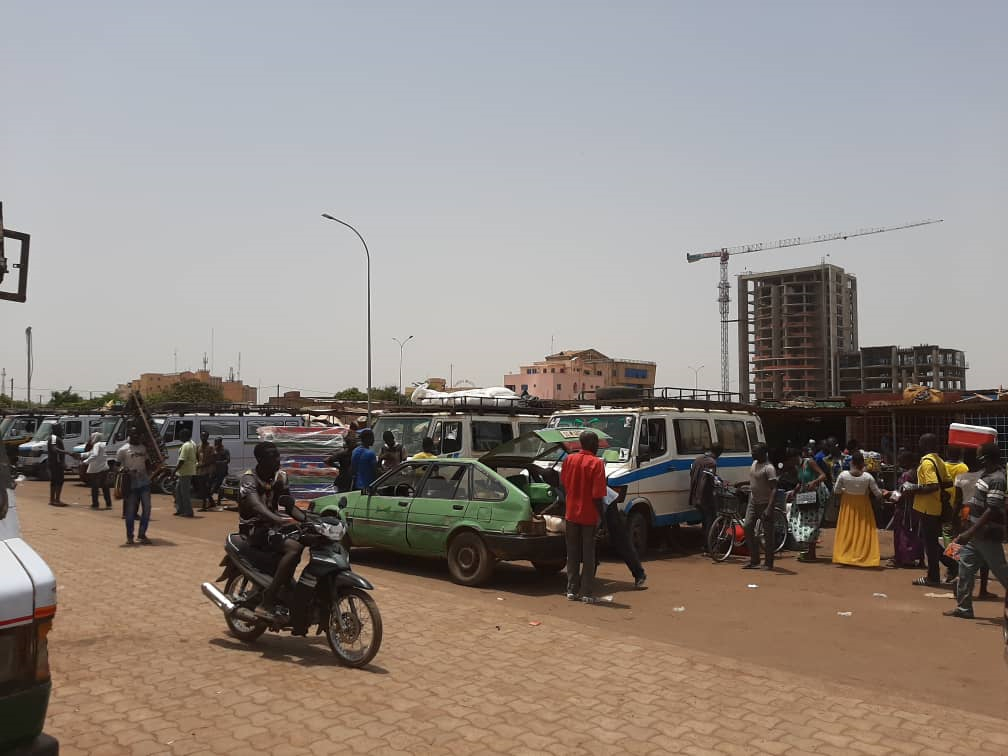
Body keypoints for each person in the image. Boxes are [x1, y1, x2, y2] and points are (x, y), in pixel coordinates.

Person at [238, 442, 305, 621]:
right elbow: (256, 505)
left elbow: (289, 505)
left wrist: (308, 520)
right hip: (254, 530)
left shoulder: (280, 477)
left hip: (272, 529)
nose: (278, 459)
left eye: (278, 455)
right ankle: (267, 600)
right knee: (294, 549)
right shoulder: (249, 479)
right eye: (273, 456)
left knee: (308, 539)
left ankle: (287, 588)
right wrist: (278, 520)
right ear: (260, 459)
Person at [944, 442, 1008, 620]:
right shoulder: (986, 475)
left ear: (985, 458)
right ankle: (964, 608)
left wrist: (969, 532)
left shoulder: (997, 479)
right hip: (974, 534)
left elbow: (991, 510)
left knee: (1001, 572)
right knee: (964, 569)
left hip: (986, 534)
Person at [560, 430, 607, 602]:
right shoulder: (596, 463)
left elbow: (563, 483)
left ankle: (571, 590)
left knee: (572, 553)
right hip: (589, 515)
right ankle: (586, 592)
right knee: (589, 555)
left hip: (571, 513)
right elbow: (598, 495)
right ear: (593, 445)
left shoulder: (569, 460)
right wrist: (603, 518)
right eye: (597, 444)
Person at [906, 434, 955, 587]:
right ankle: (951, 565)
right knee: (930, 541)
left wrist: (914, 488)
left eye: (920, 442)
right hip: (935, 506)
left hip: (928, 508)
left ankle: (934, 575)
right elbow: (947, 483)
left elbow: (933, 485)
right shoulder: (939, 461)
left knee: (930, 543)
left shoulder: (927, 462)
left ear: (925, 444)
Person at [831, 451, 887, 568]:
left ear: (851, 462)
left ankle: (845, 555)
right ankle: (862, 555)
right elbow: (877, 494)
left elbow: (836, 491)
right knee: (863, 531)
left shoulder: (843, 475)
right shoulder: (868, 477)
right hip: (863, 506)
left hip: (847, 506)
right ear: (862, 463)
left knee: (847, 530)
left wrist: (846, 490)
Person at [742, 443, 778, 570]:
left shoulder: (769, 468)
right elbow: (755, 480)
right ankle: (754, 560)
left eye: (755, 451)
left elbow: (774, 489)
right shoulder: (754, 464)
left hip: (765, 503)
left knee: (768, 534)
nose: (752, 453)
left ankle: (768, 563)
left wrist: (769, 508)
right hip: (753, 501)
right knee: (747, 526)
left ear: (763, 453)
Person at [790, 446, 828, 562]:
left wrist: (814, 482)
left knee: (813, 524)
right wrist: (794, 491)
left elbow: (823, 475)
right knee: (804, 522)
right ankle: (810, 552)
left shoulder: (809, 462)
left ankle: (812, 554)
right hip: (805, 495)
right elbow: (800, 482)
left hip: (816, 495)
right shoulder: (798, 467)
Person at [116, 427, 154, 545]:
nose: (137, 437)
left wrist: (152, 470)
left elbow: (147, 463)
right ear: (130, 435)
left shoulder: (143, 448)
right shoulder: (123, 450)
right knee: (130, 511)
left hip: (144, 482)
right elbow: (116, 466)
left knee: (147, 508)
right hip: (131, 484)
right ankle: (130, 536)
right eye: (134, 434)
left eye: (138, 435)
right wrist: (125, 470)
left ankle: (142, 534)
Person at [603, 490, 647, 589]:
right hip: (597, 501)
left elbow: (598, 500)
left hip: (607, 501)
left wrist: (604, 524)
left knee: (620, 539)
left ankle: (639, 574)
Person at [890, 450, 924, 568]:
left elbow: (903, 492)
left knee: (902, 533)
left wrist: (891, 497)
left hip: (905, 509)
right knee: (915, 533)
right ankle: (918, 558)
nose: (899, 463)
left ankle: (905, 559)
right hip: (916, 507)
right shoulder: (917, 473)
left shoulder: (907, 475)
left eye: (901, 460)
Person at [689, 443, 723, 555]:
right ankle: (709, 548)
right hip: (704, 497)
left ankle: (705, 546)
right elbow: (705, 479)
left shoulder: (698, 459)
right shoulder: (711, 462)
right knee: (710, 522)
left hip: (695, 495)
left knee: (705, 522)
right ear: (718, 453)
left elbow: (693, 475)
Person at [46, 425, 75, 507]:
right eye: (60, 429)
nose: (62, 430)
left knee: (55, 481)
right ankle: (56, 500)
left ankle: (53, 500)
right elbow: (54, 449)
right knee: (58, 481)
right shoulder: (54, 438)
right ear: (56, 429)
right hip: (55, 463)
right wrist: (67, 452)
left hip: (56, 463)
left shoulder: (54, 437)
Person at [82, 432, 112, 509]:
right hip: (104, 468)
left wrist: (85, 462)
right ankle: (108, 504)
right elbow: (90, 453)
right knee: (105, 487)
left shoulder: (96, 445)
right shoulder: (101, 445)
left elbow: (94, 455)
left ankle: (95, 504)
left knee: (95, 487)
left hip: (97, 469)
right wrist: (81, 455)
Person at [174, 428, 197, 517]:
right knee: (178, 491)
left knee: (184, 493)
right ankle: (181, 509)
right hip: (186, 471)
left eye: (180, 435)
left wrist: (174, 471)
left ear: (184, 436)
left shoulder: (186, 445)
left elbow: (181, 460)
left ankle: (188, 511)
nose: (179, 437)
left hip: (185, 472)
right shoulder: (192, 443)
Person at [196, 430, 216, 511]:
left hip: (208, 471)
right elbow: (197, 457)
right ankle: (211, 502)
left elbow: (213, 459)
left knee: (206, 488)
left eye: (205, 436)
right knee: (203, 488)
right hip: (200, 471)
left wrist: (204, 464)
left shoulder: (211, 447)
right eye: (202, 436)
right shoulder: (198, 446)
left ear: (207, 437)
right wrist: (198, 465)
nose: (203, 438)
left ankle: (204, 506)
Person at [210, 438, 230, 508]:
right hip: (214, 471)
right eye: (215, 442)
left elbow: (227, 460)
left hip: (222, 471)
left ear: (220, 443)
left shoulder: (225, 451)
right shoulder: (213, 450)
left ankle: (218, 500)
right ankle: (211, 499)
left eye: (217, 442)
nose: (215, 444)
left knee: (219, 486)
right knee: (212, 485)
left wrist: (218, 463)